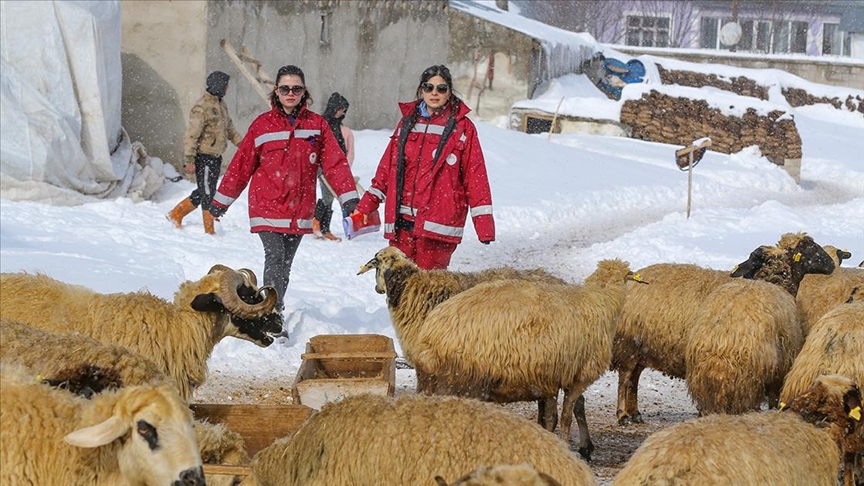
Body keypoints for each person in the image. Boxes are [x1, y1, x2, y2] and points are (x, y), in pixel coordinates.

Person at [208, 65, 359, 312]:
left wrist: (349, 198)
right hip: (267, 204)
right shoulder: (262, 125)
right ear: (276, 91)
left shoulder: (317, 125)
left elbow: (335, 163)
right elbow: (241, 165)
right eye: (285, 88)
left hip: (300, 209)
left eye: (296, 88)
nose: (290, 93)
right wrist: (220, 201)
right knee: (275, 258)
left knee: (285, 265)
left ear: (304, 92)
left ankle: (274, 304)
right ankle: (271, 313)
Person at [353, 64, 495, 270]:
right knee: (399, 290)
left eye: (441, 88)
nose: (434, 93)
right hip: (402, 225)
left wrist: (484, 226)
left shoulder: (463, 128)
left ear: (449, 92)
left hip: (438, 227)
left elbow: (475, 177)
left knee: (428, 292)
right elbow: (387, 169)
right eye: (428, 87)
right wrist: (366, 205)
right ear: (421, 90)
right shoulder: (407, 123)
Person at [167, 71, 243, 234]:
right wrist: (189, 158)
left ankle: (176, 213)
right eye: (226, 85)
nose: (227, 89)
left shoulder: (221, 105)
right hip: (204, 156)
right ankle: (209, 231)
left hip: (216, 157)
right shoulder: (202, 107)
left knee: (205, 190)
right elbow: (192, 135)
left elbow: (229, 128)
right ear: (218, 85)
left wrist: (243, 145)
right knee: (208, 193)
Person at [312, 92, 355, 242]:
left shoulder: (340, 128)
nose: (342, 112)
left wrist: (343, 168)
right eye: (340, 109)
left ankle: (321, 226)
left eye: (344, 110)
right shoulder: (322, 124)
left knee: (329, 197)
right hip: (324, 168)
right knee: (328, 196)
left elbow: (346, 150)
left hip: (338, 169)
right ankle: (319, 225)